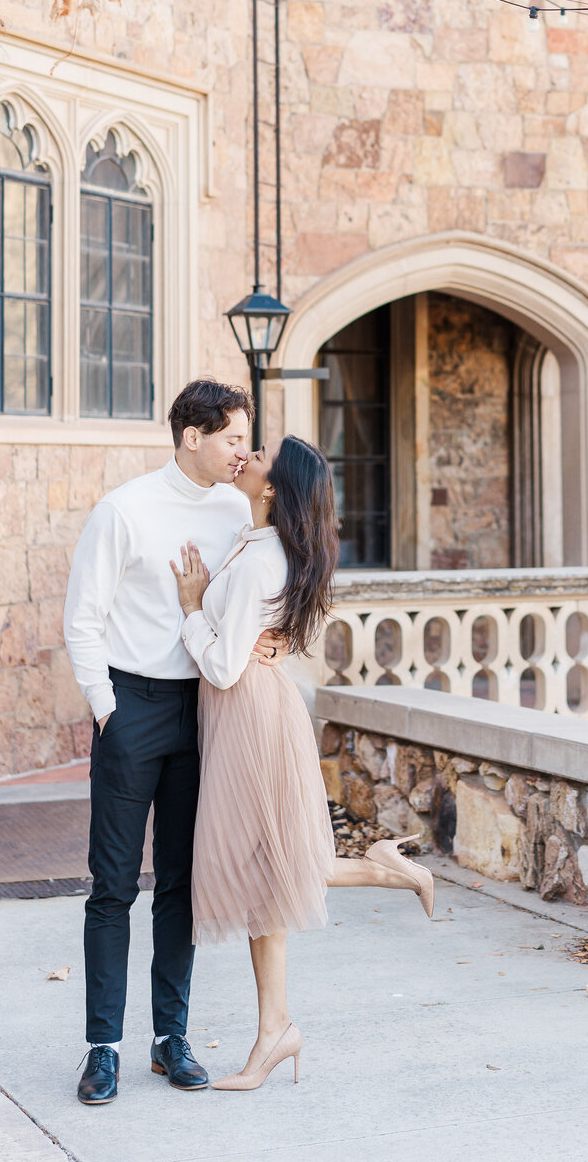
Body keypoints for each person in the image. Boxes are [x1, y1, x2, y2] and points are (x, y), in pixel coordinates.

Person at [171, 433, 434, 1091]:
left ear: (271, 489)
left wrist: (190, 610)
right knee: (266, 873)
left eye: (256, 454)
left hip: (249, 715)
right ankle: (275, 1031)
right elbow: (289, 615)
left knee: (260, 868)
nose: (245, 454)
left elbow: (226, 666)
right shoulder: (259, 541)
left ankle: (380, 876)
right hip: (251, 714)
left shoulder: (263, 558)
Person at [63, 378, 281, 1107]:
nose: (241, 453)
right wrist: (105, 709)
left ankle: (170, 1039)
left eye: (244, 440)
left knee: (183, 887)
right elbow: (83, 618)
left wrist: (272, 642)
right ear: (192, 436)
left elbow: (263, 585)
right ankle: (103, 1049)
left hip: (205, 710)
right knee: (114, 886)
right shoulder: (123, 510)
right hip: (132, 707)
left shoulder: (235, 510)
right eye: (231, 439)